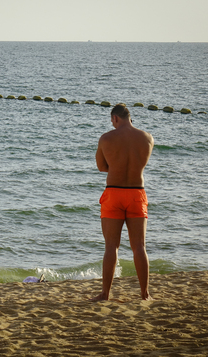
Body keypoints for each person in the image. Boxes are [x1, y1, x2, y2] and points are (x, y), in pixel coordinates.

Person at [91, 104, 154, 301]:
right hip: (136, 193)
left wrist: (115, 164)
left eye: (112, 120)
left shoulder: (106, 138)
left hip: (114, 193)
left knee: (111, 247)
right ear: (129, 117)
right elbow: (140, 163)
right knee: (139, 247)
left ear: (115, 118)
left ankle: (105, 293)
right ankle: (145, 294)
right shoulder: (147, 138)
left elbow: (102, 167)